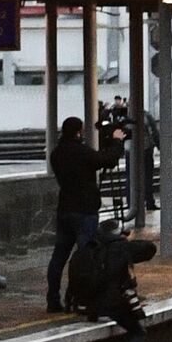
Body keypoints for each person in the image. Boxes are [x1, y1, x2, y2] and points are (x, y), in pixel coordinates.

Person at [45, 116, 126, 313]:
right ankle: (84, 299)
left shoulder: (56, 154)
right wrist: (116, 141)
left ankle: (53, 299)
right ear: (78, 132)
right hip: (85, 211)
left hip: (65, 209)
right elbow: (107, 160)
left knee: (59, 257)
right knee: (88, 258)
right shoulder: (81, 152)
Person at [78, 219, 159, 342]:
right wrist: (126, 239)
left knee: (105, 303)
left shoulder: (89, 247)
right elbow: (149, 248)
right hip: (113, 301)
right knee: (138, 332)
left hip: (90, 301)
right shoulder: (121, 247)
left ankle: (94, 314)